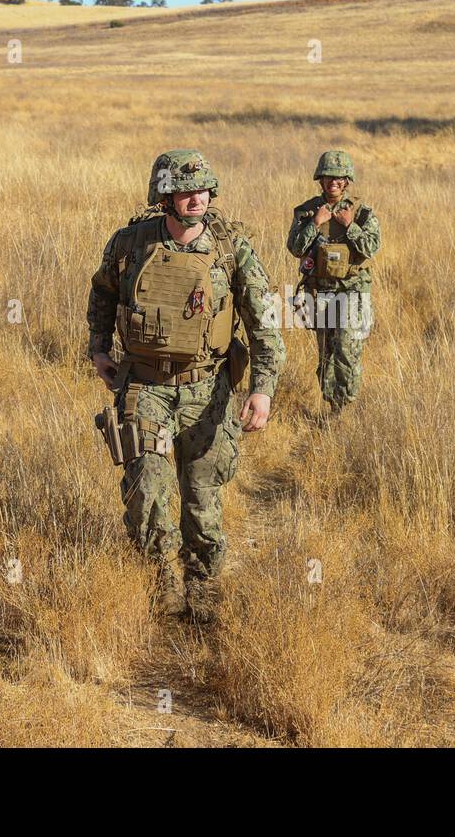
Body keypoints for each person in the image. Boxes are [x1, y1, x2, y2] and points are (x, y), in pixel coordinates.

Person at [86, 150, 285, 621]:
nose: (196, 197)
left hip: (206, 389)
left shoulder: (230, 247)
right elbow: (102, 292)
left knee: (201, 498)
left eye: (202, 189)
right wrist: (98, 348)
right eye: (184, 189)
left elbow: (264, 324)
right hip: (144, 386)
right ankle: (162, 584)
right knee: (148, 491)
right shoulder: (131, 243)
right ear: (165, 195)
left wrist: (263, 387)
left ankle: (204, 587)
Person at [286, 150, 381, 415]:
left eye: (339, 178)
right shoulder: (308, 211)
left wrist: (350, 226)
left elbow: (371, 248)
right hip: (320, 293)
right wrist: (315, 223)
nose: (334, 182)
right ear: (320, 179)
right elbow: (294, 247)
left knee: (347, 352)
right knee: (327, 355)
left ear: (347, 180)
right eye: (329, 177)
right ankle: (332, 407)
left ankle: (345, 409)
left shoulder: (361, 213)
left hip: (352, 292)